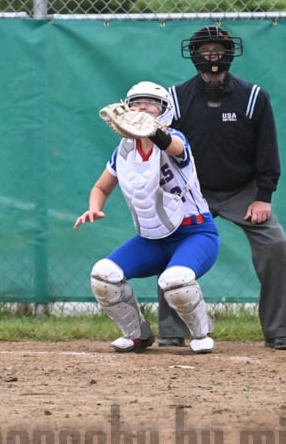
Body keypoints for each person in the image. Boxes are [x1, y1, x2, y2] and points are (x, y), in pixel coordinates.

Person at [156, 25, 286, 350]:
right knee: (171, 244)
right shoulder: (175, 99)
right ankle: (172, 330)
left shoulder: (253, 97)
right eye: (205, 51)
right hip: (192, 191)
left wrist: (264, 197)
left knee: (276, 245)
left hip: (242, 190)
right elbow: (164, 151)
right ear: (193, 55)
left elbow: (267, 149)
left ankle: (278, 330)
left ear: (230, 54)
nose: (212, 57)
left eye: (218, 50)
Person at [75, 81, 220, 354]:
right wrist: (94, 207)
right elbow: (101, 188)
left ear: (164, 111)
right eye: (136, 105)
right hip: (153, 239)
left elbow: (173, 146)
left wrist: (153, 132)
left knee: (176, 281)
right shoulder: (124, 150)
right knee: (103, 276)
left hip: (195, 233)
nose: (142, 109)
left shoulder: (174, 138)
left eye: (150, 105)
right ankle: (137, 335)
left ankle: (202, 334)